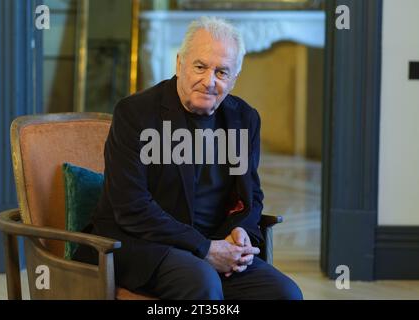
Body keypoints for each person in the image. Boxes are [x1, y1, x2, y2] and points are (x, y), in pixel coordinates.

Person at [74, 16, 303, 300]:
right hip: (142, 245)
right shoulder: (135, 113)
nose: (209, 81)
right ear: (180, 62)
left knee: (285, 294)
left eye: (222, 72)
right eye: (200, 66)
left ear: (234, 79)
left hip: (216, 245)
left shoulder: (245, 119)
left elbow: (251, 196)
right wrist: (204, 248)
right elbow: (131, 206)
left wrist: (239, 231)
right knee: (202, 282)